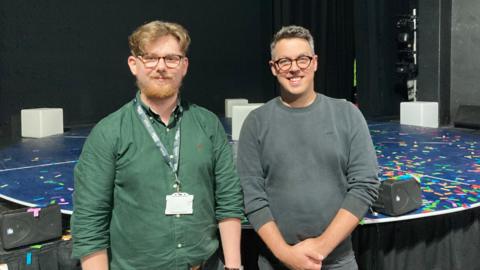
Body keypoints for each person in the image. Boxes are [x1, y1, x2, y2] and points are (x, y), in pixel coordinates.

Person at [71, 20, 244, 270]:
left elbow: (228, 198)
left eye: (171, 58)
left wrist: (234, 266)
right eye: (151, 58)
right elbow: (90, 221)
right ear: (134, 65)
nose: (161, 67)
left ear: (184, 66)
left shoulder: (208, 125)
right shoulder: (108, 133)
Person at [237, 25, 379, 270]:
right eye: (284, 61)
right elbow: (252, 197)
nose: (294, 68)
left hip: (337, 262)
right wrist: (286, 255)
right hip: (276, 263)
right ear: (273, 68)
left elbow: (365, 186)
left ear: (314, 62)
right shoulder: (256, 122)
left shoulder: (347, 115)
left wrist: (320, 249)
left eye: (302, 59)